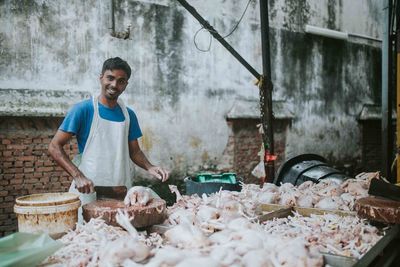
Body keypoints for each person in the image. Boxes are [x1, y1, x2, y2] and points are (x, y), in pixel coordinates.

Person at [48, 57, 169, 203]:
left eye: (121, 81)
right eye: (110, 78)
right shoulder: (83, 110)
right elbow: (54, 146)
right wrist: (78, 176)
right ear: (101, 78)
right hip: (88, 191)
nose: (114, 85)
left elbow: (135, 152)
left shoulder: (128, 115)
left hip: (121, 191)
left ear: (126, 84)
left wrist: (149, 167)